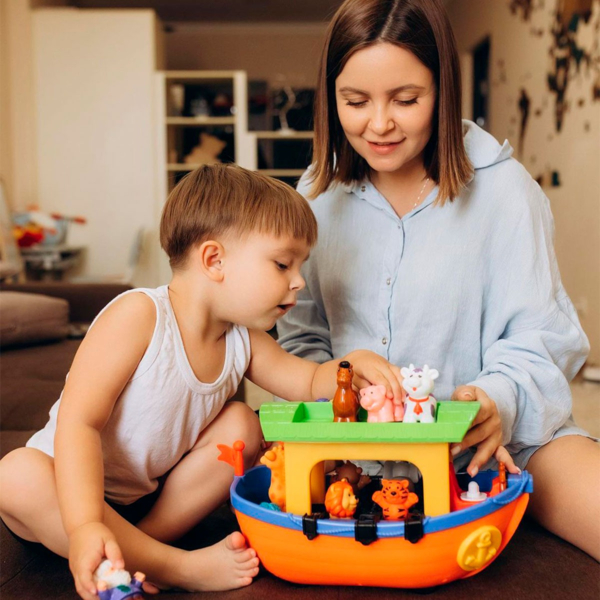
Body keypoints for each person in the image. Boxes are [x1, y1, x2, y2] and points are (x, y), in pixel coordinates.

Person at [277, 0, 599, 560]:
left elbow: (542, 337)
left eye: (406, 100)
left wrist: (496, 400)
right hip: (349, 449)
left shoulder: (505, 191)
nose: (379, 123)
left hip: (498, 443)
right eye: (355, 101)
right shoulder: (314, 196)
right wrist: (341, 400)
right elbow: (299, 341)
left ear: (443, 91)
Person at [0, 164, 406, 600]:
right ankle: (176, 566)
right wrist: (83, 524)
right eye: (282, 264)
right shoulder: (139, 316)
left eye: (300, 265)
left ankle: (143, 548)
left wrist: (351, 366)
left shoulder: (243, 338)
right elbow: (79, 423)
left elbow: (308, 382)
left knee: (242, 423)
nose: (299, 281)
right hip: (65, 495)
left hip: (147, 506)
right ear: (214, 260)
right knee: (16, 475)